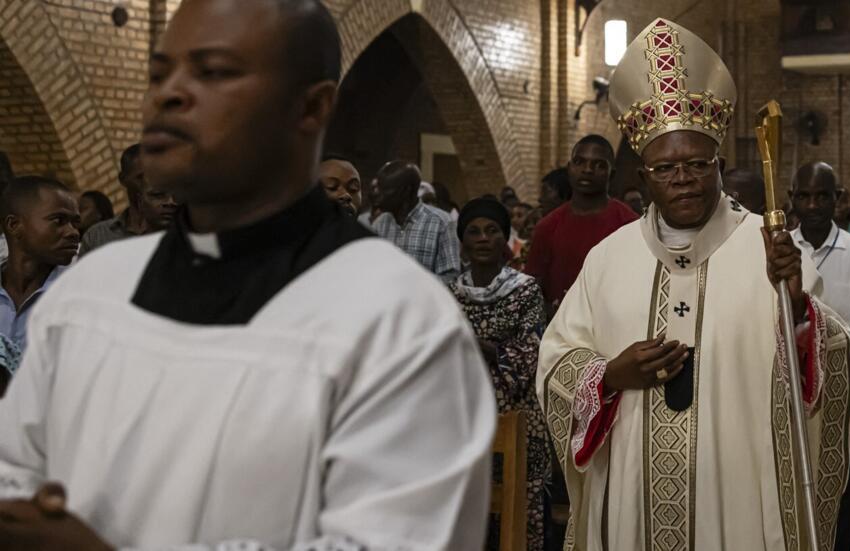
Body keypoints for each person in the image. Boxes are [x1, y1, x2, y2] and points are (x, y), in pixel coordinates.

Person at [0, 1, 495, 549]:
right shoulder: (91, 289)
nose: (168, 94)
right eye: (159, 73)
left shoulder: (399, 323)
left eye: (212, 71)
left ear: (311, 107)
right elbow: (12, 472)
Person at [538, 18, 850, 549]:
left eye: (697, 164)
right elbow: (556, 361)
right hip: (633, 495)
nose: (682, 177)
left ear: (720, 165)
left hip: (737, 497)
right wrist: (609, 375)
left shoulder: (770, 247)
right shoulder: (607, 259)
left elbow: (833, 353)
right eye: (665, 168)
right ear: (642, 179)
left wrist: (799, 309)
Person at [788, 162, 850, 551]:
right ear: (791, 199)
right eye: (804, 196)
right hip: (789, 395)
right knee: (792, 495)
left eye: (822, 196)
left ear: (836, 198)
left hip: (846, 402)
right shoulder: (780, 248)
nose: (813, 205)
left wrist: (828, 386)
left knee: (842, 495)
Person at [450, 198, 549, 551]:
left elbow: (531, 353)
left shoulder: (524, 290)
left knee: (516, 515)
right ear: (462, 241)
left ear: (504, 239)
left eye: (492, 230)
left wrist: (477, 345)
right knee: (466, 511)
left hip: (518, 416)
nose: (482, 238)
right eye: (473, 231)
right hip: (462, 419)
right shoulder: (449, 294)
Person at [525, 135, 638, 311]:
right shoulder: (548, 227)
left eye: (599, 165)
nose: (588, 170)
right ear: (570, 168)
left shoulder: (629, 224)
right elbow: (533, 289)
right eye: (579, 162)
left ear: (612, 173)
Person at [0, 176, 80, 394]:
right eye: (59, 220)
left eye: (75, 222)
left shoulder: (82, 293)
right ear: (14, 225)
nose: (73, 232)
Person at [80, 144, 178, 255]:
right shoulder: (97, 236)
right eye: (141, 177)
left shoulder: (183, 228)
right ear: (123, 179)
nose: (150, 182)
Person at [373, 161, 461, 283]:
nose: (377, 196)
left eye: (385, 190)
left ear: (406, 191)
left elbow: (451, 278)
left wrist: (411, 283)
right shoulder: (380, 224)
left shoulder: (442, 223)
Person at [508, 202, 533, 270]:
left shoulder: (534, 242)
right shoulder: (508, 241)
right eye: (512, 216)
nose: (514, 220)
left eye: (519, 216)